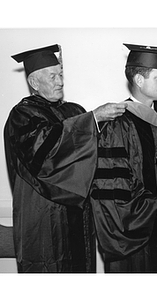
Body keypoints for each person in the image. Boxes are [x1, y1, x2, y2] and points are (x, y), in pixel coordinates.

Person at [4, 44, 127, 272]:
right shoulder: (22, 115)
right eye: (52, 76)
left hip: (79, 218)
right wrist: (93, 119)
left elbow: (95, 153)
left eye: (61, 74)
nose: (60, 81)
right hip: (44, 217)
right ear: (34, 83)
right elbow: (46, 153)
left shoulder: (73, 110)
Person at [90, 43, 157, 272]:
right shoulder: (117, 122)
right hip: (135, 236)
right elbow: (113, 185)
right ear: (139, 80)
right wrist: (151, 205)